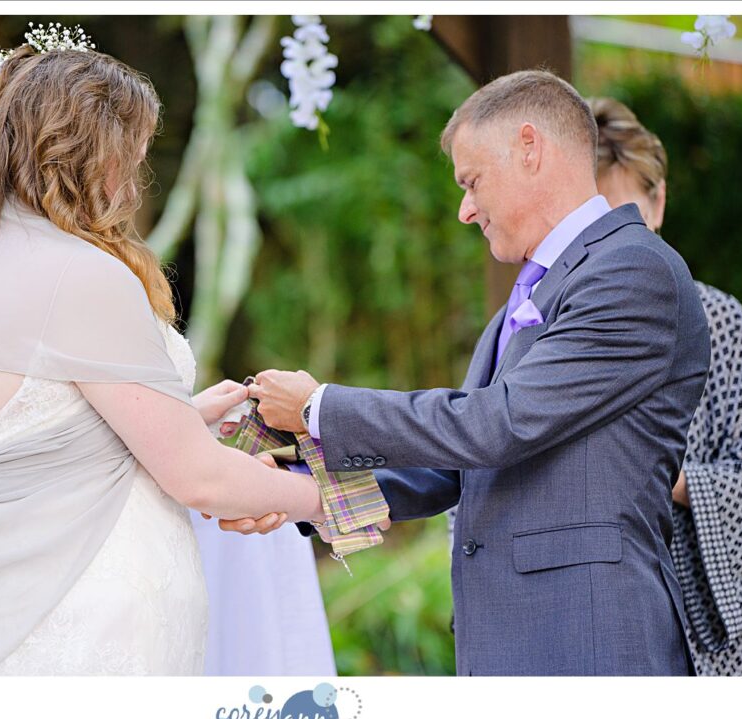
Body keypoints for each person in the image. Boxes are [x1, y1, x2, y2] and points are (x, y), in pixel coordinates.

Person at [0, 31, 325, 676]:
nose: (134, 179)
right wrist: (330, 497)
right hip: (90, 598)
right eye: (133, 156)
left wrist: (179, 416)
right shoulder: (79, 275)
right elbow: (199, 478)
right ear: (89, 155)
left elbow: (11, 446)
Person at [241, 70, 711, 676]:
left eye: (472, 182)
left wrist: (318, 407)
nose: (464, 210)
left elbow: (496, 425)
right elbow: (453, 467)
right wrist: (292, 487)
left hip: (587, 642)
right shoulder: (527, 298)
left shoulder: (632, 270)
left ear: (529, 148)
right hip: (511, 644)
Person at [588, 96, 742, 675]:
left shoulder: (719, 322)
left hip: (709, 634)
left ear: (659, 203)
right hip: (593, 614)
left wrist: (657, 475)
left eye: (627, 220)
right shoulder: (542, 332)